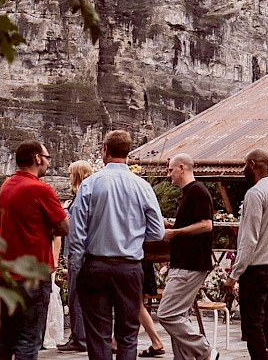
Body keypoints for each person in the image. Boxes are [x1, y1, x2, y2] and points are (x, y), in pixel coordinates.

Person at [69, 130, 165, 360]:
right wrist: (134, 237)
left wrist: (76, 266)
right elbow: (157, 231)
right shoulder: (142, 187)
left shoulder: (90, 185)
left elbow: (77, 232)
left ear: (105, 150)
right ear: (128, 152)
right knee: (127, 336)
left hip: (96, 265)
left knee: (99, 335)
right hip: (129, 267)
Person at [0, 141, 70, 360]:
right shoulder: (40, 189)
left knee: (7, 336)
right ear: (37, 158)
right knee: (29, 338)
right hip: (34, 275)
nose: (47, 162)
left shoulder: (7, 185)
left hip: (8, 272)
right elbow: (65, 227)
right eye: (47, 157)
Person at [223, 149, 268, 360]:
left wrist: (234, 275)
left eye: (244, 165)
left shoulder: (255, 194)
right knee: (265, 318)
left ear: (251, 164)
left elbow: (248, 239)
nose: (243, 169)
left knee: (252, 323)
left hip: (257, 266)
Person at [155, 153, 218, 360]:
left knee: (167, 313)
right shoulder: (190, 193)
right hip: (186, 263)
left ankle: (205, 351)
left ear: (182, 168)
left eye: (170, 170)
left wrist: (175, 233)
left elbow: (206, 224)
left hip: (189, 264)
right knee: (179, 315)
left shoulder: (197, 191)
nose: (168, 174)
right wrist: (172, 226)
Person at [58, 160, 94, 353]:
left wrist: (63, 210)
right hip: (88, 253)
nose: (69, 177)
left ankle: (79, 337)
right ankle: (81, 336)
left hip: (78, 254)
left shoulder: (80, 196)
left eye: (71, 174)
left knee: (75, 297)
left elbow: (73, 226)